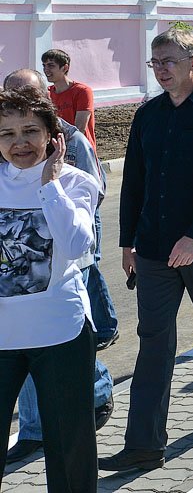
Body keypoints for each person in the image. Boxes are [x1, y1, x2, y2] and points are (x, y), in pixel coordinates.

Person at [102, 26, 193, 472]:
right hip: (153, 248)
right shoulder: (148, 115)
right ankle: (145, 442)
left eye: (169, 62)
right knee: (154, 341)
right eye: (155, 62)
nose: (161, 70)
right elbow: (136, 184)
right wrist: (128, 242)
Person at [3, 70, 115, 468]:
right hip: (2, 337)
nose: (20, 143)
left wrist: (50, 186)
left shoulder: (74, 182)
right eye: (8, 134)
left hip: (59, 334)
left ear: (53, 136)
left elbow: (76, 246)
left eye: (30, 131)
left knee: (70, 450)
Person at [41, 49, 97, 152]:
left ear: (65, 68)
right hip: (57, 150)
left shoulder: (82, 91)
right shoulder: (47, 93)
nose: (46, 70)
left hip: (80, 150)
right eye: (44, 65)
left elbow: (80, 127)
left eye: (51, 66)